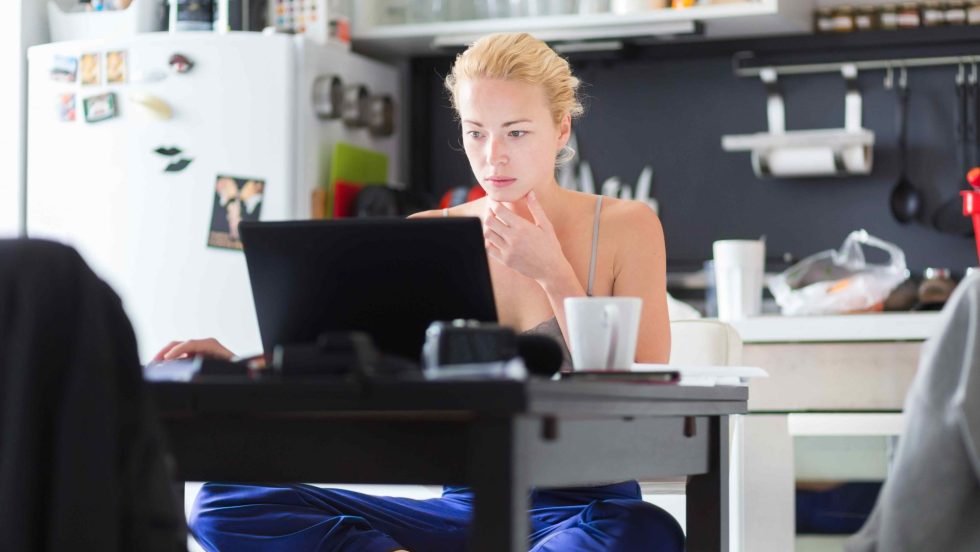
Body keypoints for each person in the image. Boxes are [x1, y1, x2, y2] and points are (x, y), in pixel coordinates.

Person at [156, 32, 678, 551]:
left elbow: (650, 391)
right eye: (475, 133)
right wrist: (242, 366)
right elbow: (363, 364)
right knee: (226, 501)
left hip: (589, 509)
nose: (493, 156)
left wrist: (552, 273)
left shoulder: (626, 226)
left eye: (516, 133)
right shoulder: (430, 231)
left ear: (561, 129)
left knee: (646, 530)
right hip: (463, 508)